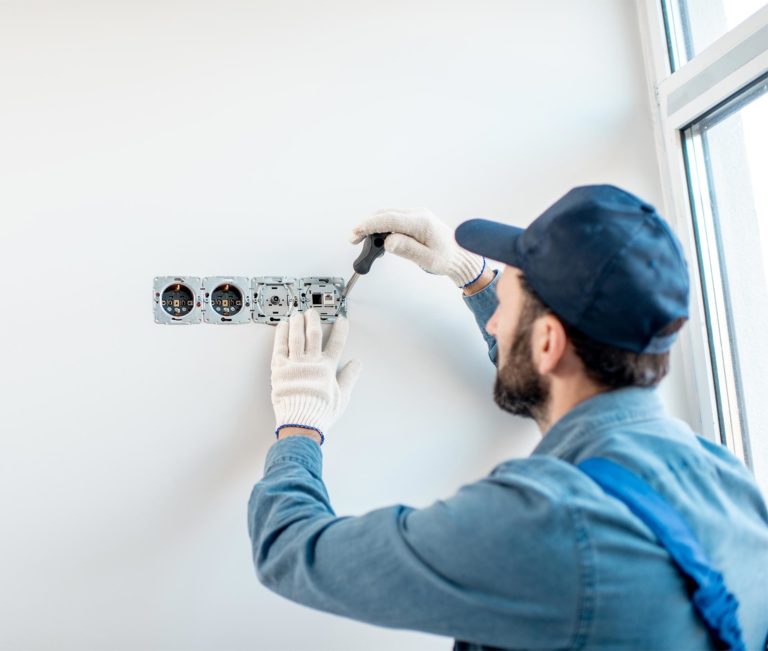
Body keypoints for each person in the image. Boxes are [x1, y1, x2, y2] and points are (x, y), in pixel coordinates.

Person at [248, 185, 768, 650]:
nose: (494, 319)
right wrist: (470, 275)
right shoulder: (729, 483)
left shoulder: (541, 524)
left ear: (547, 342)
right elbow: (555, 380)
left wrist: (300, 426)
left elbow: (293, 555)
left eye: (507, 304)